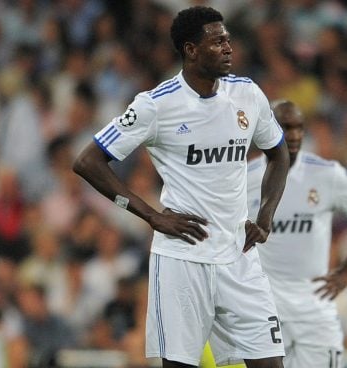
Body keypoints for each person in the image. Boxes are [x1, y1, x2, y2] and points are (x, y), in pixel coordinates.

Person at [72, 6, 289, 368]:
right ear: (191, 50)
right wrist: (151, 216)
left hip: (239, 256)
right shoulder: (156, 105)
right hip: (182, 259)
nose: (228, 48)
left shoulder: (247, 94)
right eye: (217, 41)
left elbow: (279, 154)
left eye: (228, 40)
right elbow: (87, 162)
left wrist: (265, 218)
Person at [247, 100, 347, 368]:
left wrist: (345, 273)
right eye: (285, 128)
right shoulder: (245, 179)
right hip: (265, 307)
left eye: (299, 128)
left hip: (314, 306)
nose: (294, 135)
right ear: (267, 129)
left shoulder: (328, 175)